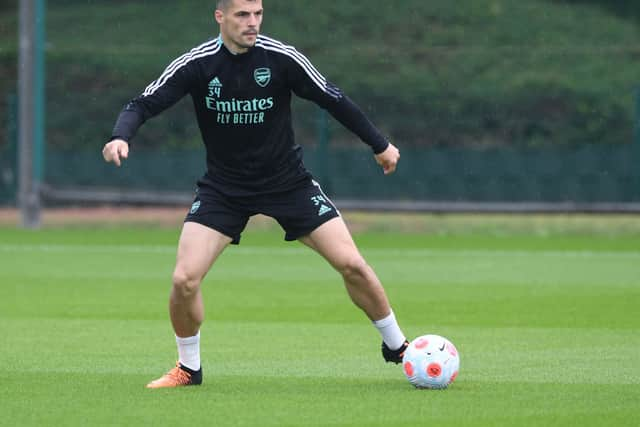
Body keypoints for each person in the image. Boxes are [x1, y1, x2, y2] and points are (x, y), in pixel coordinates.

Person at [103, 0, 407, 389]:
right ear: (221, 17)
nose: (253, 23)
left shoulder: (282, 58)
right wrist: (119, 136)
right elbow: (143, 103)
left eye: (258, 14)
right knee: (184, 280)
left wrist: (379, 145)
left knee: (352, 264)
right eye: (243, 15)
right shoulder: (197, 64)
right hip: (224, 189)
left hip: (288, 183)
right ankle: (189, 368)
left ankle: (398, 347)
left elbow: (333, 97)